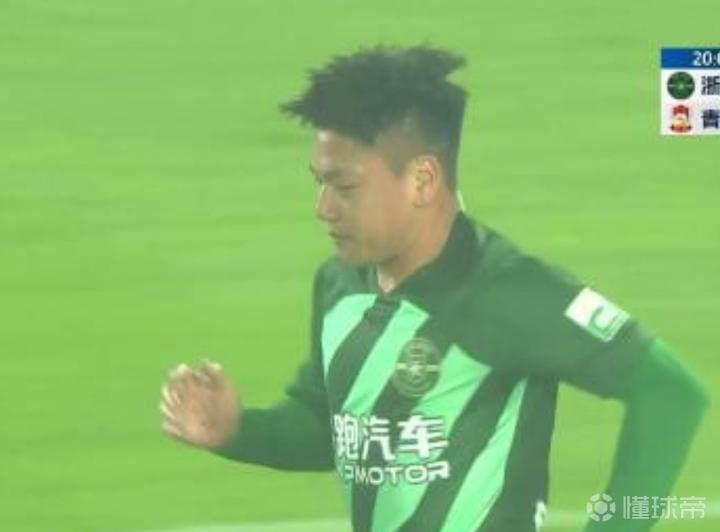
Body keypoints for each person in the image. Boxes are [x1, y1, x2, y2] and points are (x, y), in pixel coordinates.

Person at [160, 45, 709, 532]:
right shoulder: (338, 284)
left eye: (344, 186)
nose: (323, 208)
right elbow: (339, 428)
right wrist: (238, 431)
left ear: (422, 180)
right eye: (319, 182)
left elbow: (671, 393)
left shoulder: (508, 291)